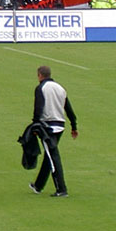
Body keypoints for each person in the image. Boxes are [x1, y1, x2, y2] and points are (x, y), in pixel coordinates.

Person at [29, 65, 78, 197]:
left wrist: (35, 125)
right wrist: (74, 126)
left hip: (47, 127)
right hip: (60, 126)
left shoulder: (41, 88)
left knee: (53, 157)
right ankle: (38, 186)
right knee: (49, 155)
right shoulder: (60, 88)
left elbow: (38, 108)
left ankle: (61, 189)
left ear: (40, 75)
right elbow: (68, 108)